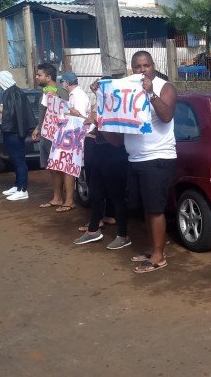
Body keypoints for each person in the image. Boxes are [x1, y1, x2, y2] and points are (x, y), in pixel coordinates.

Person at [103, 51, 176, 273]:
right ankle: (154, 247)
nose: (142, 70)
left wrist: (151, 94)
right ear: (131, 69)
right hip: (135, 158)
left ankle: (159, 256)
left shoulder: (165, 87)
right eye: (137, 66)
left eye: (146, 65)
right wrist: (103, 108)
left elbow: (166, 116)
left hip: (158, 157)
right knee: (144, 207)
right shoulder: (127, 92)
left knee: (155, 209)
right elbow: (116, 139)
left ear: (153, 66)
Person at [74, 78, 129, 248]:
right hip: (99, 151)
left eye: (102, 87)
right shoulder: (100, 103)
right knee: (95, 192)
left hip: (115, 153)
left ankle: (123, 234)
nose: (98, 89)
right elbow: (98, 128)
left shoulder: (121, 105)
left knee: (117, 196)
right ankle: (92, 230)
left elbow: (118, 132)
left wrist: (96, 122)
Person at [0, 71, 37, 201]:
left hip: (13, 132)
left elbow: (10, 112)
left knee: (19, 160)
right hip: (10, 130)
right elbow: (11, 113)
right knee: (15, 159)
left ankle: (23, 189)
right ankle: (17, 185)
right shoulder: (10, 92)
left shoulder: (13, 92)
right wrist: (0, 117)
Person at [50, 71, 90, 213]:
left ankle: (69, 201)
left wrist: (66, 113)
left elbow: (79, 119)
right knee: (64, 168)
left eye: (63, 83)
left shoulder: (78, 96)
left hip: (74, 138)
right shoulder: (73, 95)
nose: (62, 85)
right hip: (69, 138)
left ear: (66, 83)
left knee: (69, 169)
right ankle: (65, 199)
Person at [33, 63, 71, 210]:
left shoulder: (60, 91)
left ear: (48, 77)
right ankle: (57, 198)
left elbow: (64, 112)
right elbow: (45, 114)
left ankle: (65, 199)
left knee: (59, 168)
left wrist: (54, 96)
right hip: (45, 135)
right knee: (52, 168)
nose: (37, 77)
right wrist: (38, 128)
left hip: (56, 136)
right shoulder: (45, 91)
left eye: (39, 75)